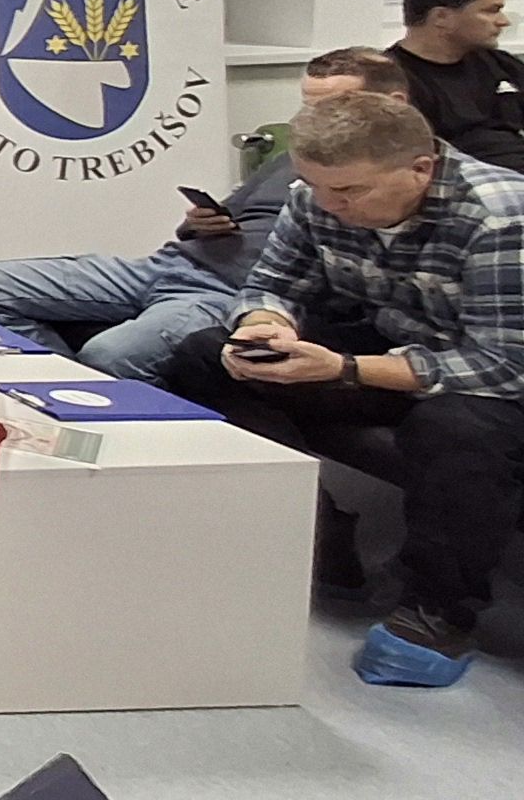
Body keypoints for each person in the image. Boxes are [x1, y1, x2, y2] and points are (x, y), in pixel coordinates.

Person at [158, 91, 524, 689]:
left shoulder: (501, 217)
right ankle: (314, 529)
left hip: (495, 382)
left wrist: (344, 369)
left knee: (455, 428)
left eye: (350, 191)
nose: (331, 205)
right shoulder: (316, 197)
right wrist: (264, 328)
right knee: (208, 356)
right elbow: (273, 285)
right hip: (400, 348)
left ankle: (438, 612)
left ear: (421, 169)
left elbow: (502, 367)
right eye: (316, 186)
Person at [0, 47, 409, 379]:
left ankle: (86, 404)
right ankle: (56, 389)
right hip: (171, 262)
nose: (309, 123)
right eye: (307, 108)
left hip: (228, 293)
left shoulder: (389, 181)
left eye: (331, 108)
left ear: (393, 104)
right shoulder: (295, 156)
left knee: (108, 356)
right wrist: (197, 224)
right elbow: (231, 215)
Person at [389, 0, 524, 172]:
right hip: (466, 179)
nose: (503, 22)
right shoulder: (390, 78)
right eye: (491, 11)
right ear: (441, 17)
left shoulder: (499, 63)